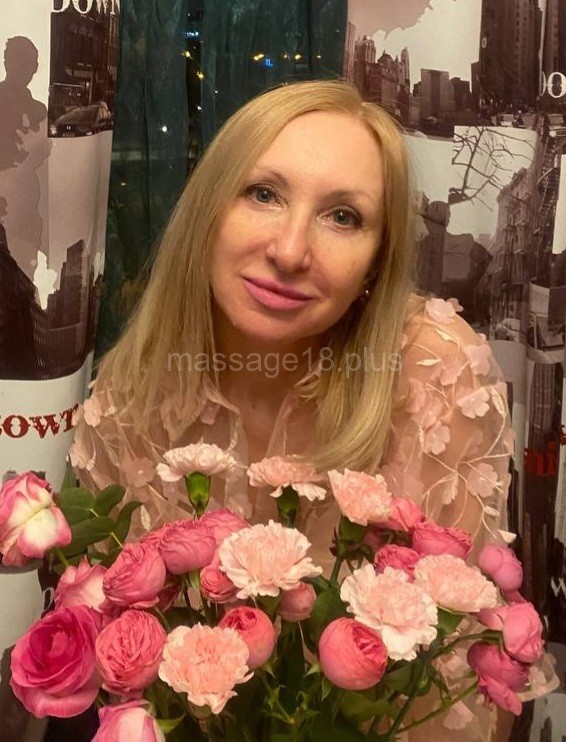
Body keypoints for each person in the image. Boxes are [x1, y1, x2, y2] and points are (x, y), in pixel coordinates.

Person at [71, 80, 519, 739]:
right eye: (263, 194)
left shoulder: (435, 371)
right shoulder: (128, 396)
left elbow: (454, 690)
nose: (288, 251)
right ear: (207, 211)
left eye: (343, 217)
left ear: (376, 263)